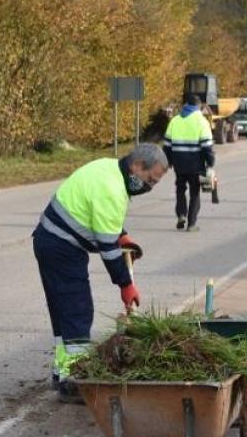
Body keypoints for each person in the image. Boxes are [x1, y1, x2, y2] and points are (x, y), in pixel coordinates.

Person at [32, 144, 168, 403]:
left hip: (49, 240)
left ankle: (62, 372)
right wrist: (125, 285)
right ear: (137, 166)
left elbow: (103, 219)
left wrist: (123, 235)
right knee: (77, 310)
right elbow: (108, 249)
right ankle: (75, 381)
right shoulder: (113, 189)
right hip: (61, 247)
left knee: (62, 311)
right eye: (150, 180)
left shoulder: (108, 168)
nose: (149, 187)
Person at [164, 94, 216, 232]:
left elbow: (167, 145)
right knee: (195, 193)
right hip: (195, 164)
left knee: (180, 190)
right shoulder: (202, 121)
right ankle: (191, 224)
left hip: (179, 164)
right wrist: (210, 162)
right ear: (198, 106)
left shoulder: (175, 120)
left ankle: (181, 214)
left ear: (186, 105)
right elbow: (207, 145)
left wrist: (169, 161)